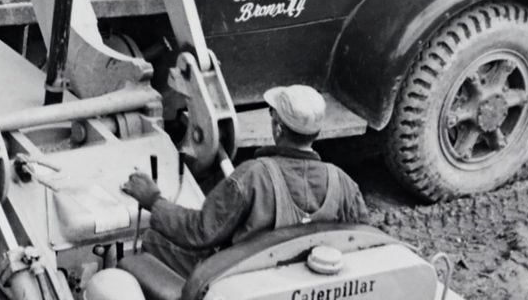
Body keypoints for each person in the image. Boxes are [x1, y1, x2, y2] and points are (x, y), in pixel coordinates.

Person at [122, 84, 367, 277]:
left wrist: (153, 200)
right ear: (317, 132)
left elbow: (199, 232)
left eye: (272, 115)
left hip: (241, 282)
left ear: (278, 129)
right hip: (301, 286)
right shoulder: (344, 183)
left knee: (153, 240)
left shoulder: (253, 176)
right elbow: (361, 241)